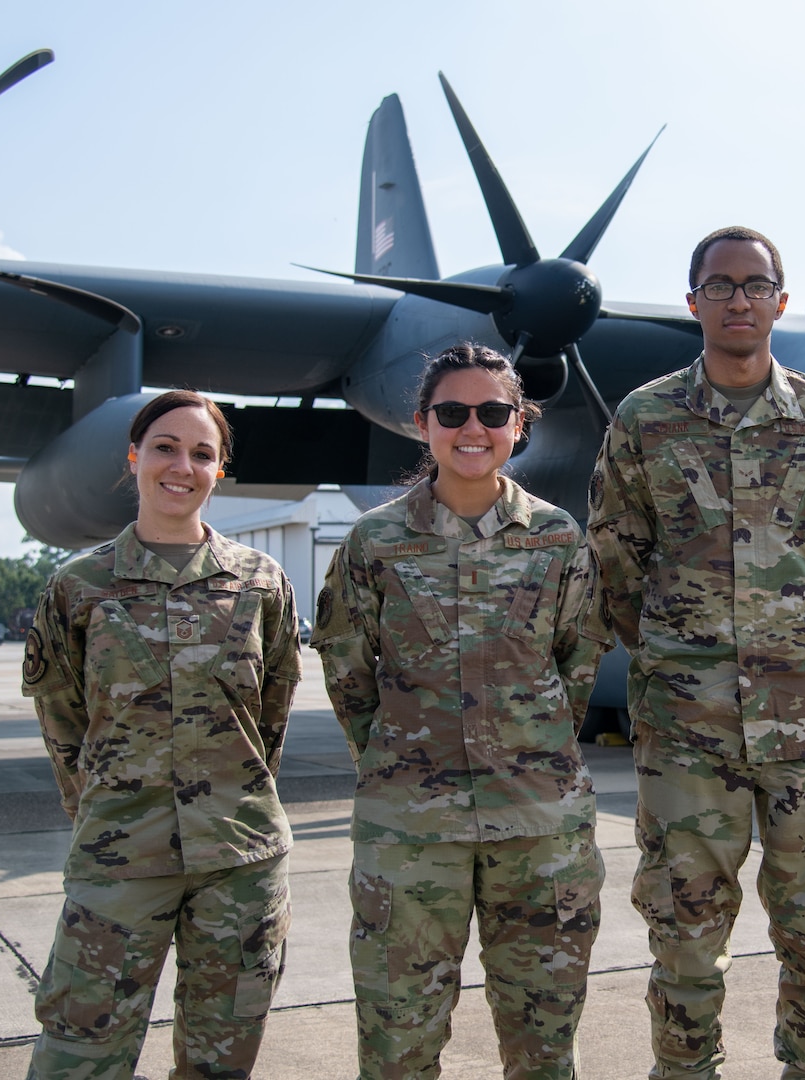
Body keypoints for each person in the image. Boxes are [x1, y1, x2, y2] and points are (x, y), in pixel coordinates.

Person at [588, 226, 805, 1080]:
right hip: (686, 721)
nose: (739, 299)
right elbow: (615, 551)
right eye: (720, 285)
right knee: (684, 928)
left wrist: (789, 639)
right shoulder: (645, 419)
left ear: (782, 301)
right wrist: (683, 649)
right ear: (693, 303)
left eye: (757, 284)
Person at [312, 343, 609, 1080]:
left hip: (538, 829)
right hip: (410, 831)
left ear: (519, 425)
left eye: (493, 412)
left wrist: (527, 749)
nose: (471, 427)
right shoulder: (374, 542)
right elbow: (348, 672)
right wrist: (398, 764)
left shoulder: (558, 539)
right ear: (422, 424)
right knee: (397, 1042)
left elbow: (576, 665)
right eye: (452, 412)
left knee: (544, 1043)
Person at [21, 390, 302, 1078]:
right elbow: (62, 717)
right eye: (165, 448)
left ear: (220, 471)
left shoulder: (261, 582)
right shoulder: (79, 585)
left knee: (221, 1059)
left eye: (202, 453)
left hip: (239, 861)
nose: (183, 465)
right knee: (79, 1052)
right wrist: (103, 807)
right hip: (119, 860)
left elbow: (272, 710)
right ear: (134, 458)